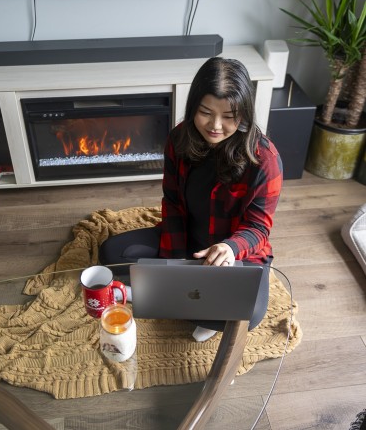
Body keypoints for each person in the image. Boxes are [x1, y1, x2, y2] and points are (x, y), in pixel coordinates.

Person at [99, 57, 283, 331]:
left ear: (243, 115)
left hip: (230, 253)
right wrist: (173, 265)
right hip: (187, 240)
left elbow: (258, 228)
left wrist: (230, 248)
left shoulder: (264, 159)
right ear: (193, 106)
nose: (215, 125)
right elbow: (172, 203)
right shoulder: (179, 139)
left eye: (229, 117)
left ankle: (179, 302)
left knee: (249, 313)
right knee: (112, 252)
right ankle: (190, 300)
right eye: (205, 112)